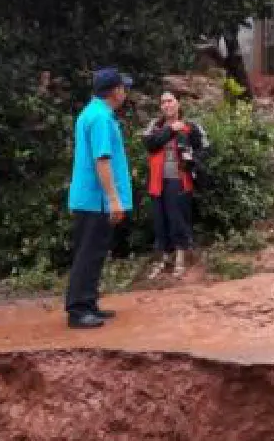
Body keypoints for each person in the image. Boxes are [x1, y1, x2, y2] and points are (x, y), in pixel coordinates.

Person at [65, 67, 133, 329]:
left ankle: (87, 303)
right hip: (96, 200)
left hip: (90, 199)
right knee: (89, 254)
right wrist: (114, 199)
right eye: (123, 87)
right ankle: (78, 310)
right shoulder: (101, 118)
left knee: (92, 253)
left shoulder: (91, 113)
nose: (125, 92)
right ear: (115, 91)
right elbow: (102, 160)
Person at [143, 91, 208, 280]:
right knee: (159, 220)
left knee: (178, 218)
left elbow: (204, 148)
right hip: (157, 181)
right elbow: (151, 144)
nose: (166, 105)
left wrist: (193, 160)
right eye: (163, 102)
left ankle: (181, 258)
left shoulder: (191, 127)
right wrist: (171, 129)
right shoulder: (154, 127)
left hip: (179, 180)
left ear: (178, 103)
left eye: (170, 101)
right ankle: (163, 258)